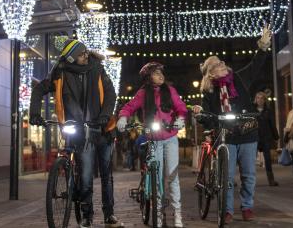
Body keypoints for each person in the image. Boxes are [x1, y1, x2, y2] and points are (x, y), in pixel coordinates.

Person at [29, 39, 122, 228]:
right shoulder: (60, 72)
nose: (85, 56)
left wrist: (105, 116)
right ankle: (87, 216)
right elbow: (39, 89)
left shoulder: (97, 68)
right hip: (80, 129)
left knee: (106, 175)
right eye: (81, 54)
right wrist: (34, 114)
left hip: (102, 129)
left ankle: (109, 215)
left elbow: (111, 94)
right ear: (71, 58)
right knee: (86, 175)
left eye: (86, 53)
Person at [192, 25, 272, 224]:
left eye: (221, 63)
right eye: (217, 66)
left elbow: (256, 64)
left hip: (247, 132)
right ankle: (226, 210)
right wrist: (200, 114)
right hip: (226, 136)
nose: (222, 66)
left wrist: (263, 45)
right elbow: (208, 116)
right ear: (210, 74)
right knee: (226, 178)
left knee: (249, 175)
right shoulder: (209, 92)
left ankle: (247, 207)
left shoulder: (238, 78)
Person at [116, 62, 187, 228]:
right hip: (153, 140)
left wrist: (180, 118)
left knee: (173, 177)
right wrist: (123, 117)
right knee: (158, 180)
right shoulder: (143, 93)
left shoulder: (170, 90)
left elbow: (181, 107)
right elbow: (130, 106)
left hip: (170, 138)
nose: (161, 76)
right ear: (148, 78)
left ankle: (178, 213)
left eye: (161, 72)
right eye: (156, 73)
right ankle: (158, 213)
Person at [254, 91, 279, 186]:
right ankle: (249, 181)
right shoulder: (252, 110)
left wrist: (276, 137)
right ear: (255, 99)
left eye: (262, 98)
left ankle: (271, 180)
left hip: (266, 138)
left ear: (265, 100)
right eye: (258, 98)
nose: (260, 100)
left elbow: (272, 124)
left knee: (268, 159)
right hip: (255, 138)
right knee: (251, 160)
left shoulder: (268, 111)